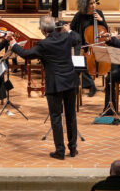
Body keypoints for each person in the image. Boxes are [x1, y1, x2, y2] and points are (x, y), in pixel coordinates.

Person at [7, 16, 81, 159]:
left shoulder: (44, 44)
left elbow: (25, 54)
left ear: (42, 30)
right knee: (71, 116)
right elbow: (77, 39)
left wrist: (13, 43)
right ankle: (72, 149)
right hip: (70, 82)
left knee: (56, 117)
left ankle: (60, 151)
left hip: (55, 84)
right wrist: (69, 29)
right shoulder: (66, 37)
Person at [70, 0, 108, 96]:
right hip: (82, 44)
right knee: (80, 63)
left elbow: (106, 30)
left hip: (97, 44)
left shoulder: (99, 13)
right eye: (91, 3)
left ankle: (105, 85)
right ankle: (91, 85)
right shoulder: (79, 15)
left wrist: (101, 20)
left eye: (94, 3)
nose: (93, 5)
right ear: (85, 4)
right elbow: (71, 29)